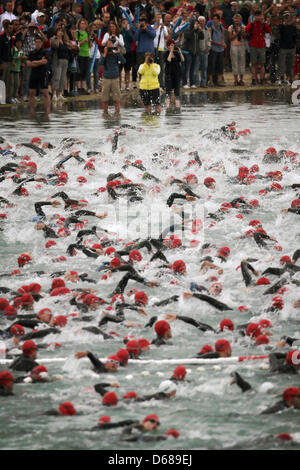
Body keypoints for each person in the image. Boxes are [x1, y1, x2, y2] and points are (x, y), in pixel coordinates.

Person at [99, 39, 125, 117]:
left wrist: (119, 53)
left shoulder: (116, 54)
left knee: (116, 99)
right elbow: (100, 63)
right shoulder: (104, 54)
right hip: (106, 78)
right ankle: (105, 113)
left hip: (115, 78)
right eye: (108, 44)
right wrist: (105, 54)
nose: (110, 46)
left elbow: (123, 61)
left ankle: (117, 114)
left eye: (111, 44)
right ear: (106, 46)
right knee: (105, 98)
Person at [245, 10, 271, 85]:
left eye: (260, 15)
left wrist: (264, 23)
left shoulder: (264, 24)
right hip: (253, 45)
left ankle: (262, 79)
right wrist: (251, 22)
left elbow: (269, 31)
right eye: (257, 16)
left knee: (262, 64)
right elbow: (246, 30)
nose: (258, 17)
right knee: (254, 63)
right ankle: (254, 79)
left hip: (262, 45)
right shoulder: (252, 24)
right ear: (255, 16)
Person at [27, 35, 51, 114]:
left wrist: (34, 62)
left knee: (45, 92)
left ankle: (47, 111)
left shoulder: (45, 51)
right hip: (34, 73)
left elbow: (45, 62)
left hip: (42, 73)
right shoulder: (31, 52)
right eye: (36, 42)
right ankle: (32, 111)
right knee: (31, 92)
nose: (37, 43)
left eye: (39, 42)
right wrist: (39, 62)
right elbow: (29, 64)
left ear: (42, 43)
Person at [277, 12, 297, 86]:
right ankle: (279, 79)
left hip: (291, 48)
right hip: (283, 48)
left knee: (290, 65)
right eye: (285, 17)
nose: (287, 18)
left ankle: (287, 80)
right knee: (281, 64)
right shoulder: (281, 26)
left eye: (288, 17)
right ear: (284, 18)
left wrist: (295, 45)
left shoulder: (293, 27)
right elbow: (278, 34)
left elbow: (295, 37)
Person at [164, 39, 184, 108]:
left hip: (177, 74)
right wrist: (171, 51)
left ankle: (178, 106)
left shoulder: (176, 53)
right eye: (171, 45)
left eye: (173, 45)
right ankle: (167, 106)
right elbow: (168, 60)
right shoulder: (165, 53)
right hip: (169, 75)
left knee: (177, 91)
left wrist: (180, 52)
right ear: (168, 46)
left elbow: (182, 60)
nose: (173, 46)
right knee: (168, 91)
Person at [208, 14, 226, 87]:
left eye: (216, 19)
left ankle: (219, 81)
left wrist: (223, 43)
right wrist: (219, 44)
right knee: (212, 65)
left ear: (219, 20)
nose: (215, 20)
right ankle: (211, 81)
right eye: (214, 19)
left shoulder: (221, 28)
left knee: (220, 65)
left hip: (220, 49)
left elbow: (222, 37)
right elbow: (210, 40)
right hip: (213, 49)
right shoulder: (210, 29)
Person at [228, 13, 246, 85]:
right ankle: (235, 80)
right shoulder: (231, 27)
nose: (236, 20)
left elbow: (245, 37)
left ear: (240, 20)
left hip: (241, 45)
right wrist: (237, 33)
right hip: (234, 46)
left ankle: (241, 79)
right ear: (233, 20)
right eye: (235, 19)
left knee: (242, 62)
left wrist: (242, 32)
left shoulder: (243, 27)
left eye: (238, 19)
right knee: (234, 63)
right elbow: (230, 38)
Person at [76, 18, 90, 94]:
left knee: (85, 71)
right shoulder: (77, 32)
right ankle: (78, 88)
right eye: (82, 23)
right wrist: (83, 41)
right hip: (80, 54)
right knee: (79, 71)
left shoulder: (87, 33)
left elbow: (89, 44)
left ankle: (83, 87)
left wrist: (89, 42)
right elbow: (76, 43)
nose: (83, 25)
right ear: (79, 24)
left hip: (86, 54)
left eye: (84, 23)